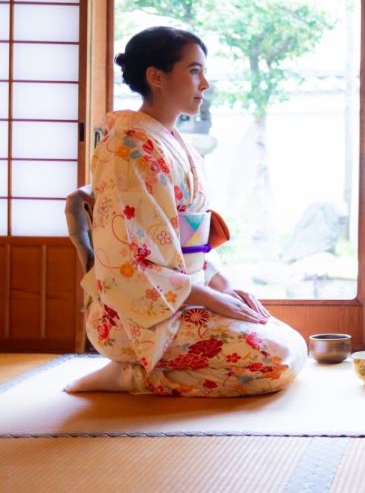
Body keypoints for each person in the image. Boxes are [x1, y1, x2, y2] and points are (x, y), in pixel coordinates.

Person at [65, 26, 307, 396]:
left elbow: (191, 241)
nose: (205, 84)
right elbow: (129, 260)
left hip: (183, 297)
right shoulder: (128, 149)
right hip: (136, 315)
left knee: (292, 344)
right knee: (277, 360)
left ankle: (138, 372)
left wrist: (226, 287)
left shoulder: (172, 143)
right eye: (194, 71)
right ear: (156, 76)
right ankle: (132, 375)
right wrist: (214, 299)